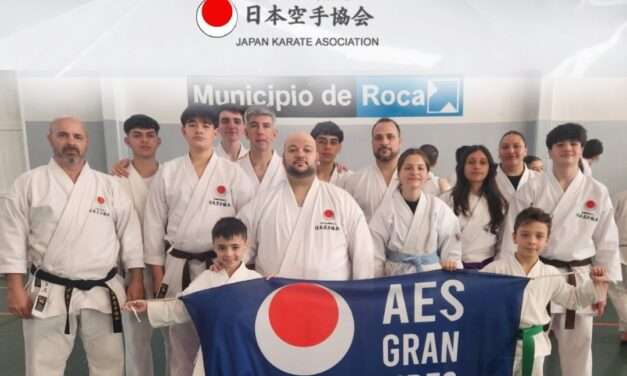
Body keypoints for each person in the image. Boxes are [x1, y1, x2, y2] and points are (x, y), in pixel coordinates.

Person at [0, 116, 144, 376]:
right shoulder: (29, 183)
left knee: (109, 365)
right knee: (43, 366)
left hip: (102, 289)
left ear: (86, 141)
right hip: (50, 288)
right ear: (50, 138)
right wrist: (14, 287)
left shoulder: (109, 185)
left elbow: (130, 234)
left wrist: (136, 278)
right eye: (63, 135)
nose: (70, 142)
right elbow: (11, 237)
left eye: (77, 137)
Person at [143, 104, 254, 376]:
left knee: (221, 341)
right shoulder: (168, 172)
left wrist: (235, 266)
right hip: (177, 266)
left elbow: (247, 225)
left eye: (206, 125)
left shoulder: (232, 173)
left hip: (221, 269)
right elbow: (154, 226)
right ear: (183, 131)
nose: (199, 130)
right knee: (179, 345)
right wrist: (159, 277)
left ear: (216, 132)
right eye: (192, 125)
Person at [502, 123, 621, 376]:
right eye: (560, 144)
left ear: (581, 149)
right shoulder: (531, 189)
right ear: (550, 151)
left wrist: (601, 288)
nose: (567, 148)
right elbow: (512, 235)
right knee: (530, 343)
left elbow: (607, 241)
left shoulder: (596, 191)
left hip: (578, 276)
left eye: (574, 143)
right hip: (537, 273)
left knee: (579, 346)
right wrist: (509, 281)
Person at [124, 217, 260, 376]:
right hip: (212, 350)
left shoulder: (256, 280)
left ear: (246, 244)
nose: (229, 254)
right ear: (214, 247)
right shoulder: (207, 278)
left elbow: (268, 311)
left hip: (245, 352)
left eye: (235, 247)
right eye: (222, 248)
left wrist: (273, 288)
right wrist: (149, 306)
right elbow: (183, 306)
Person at [482, 207, 608, 376]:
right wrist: (449, 272)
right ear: (514, 237)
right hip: (500, 344)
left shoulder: (550, 273)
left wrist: (594, 284)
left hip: (534, 346)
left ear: (547, 240)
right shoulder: (495, 269)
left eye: (539, 236)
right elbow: (472, 292)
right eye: (525, 234)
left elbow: (574, 299)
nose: (532, 241)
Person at [238, 132, 375, 280]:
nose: (300, 154)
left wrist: (361, 295)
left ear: (317, 158)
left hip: (332, 298)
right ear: (283, 160)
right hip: (275, 298)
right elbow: (237, 248)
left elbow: (363, 256)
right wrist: (224, 266)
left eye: (307, 150)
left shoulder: (342, 201)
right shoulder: (261, 203)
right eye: (292, 150)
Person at [369, 148, 462, 276]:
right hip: (396, 279)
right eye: (408, 168)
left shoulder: (438, 207)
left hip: (431, 276)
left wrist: (451, 262)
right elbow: (375, 252)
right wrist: (376, 283)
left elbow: (452, 246)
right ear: (399, 173)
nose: (414, 172)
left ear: (428, 174)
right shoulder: (386, 209)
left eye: (420, 168)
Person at [118, 114, 162, 376]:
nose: (144, 140)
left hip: (168, 268)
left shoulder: (174, 174)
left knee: (178, 335)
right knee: (135, 341)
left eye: (149, 134)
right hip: (131, 270)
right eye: (137, 135)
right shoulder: (115, 180)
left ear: (159, 139)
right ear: (127, 140)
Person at [441, 145, 508, 269]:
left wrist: (498, 264)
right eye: (471, 162)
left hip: (489, 266)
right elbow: (439, 236)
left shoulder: (499, 202)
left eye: (483, 163)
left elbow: (503, 240)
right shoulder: (446, 199)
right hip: (453, 266)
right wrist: (447, 259)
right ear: (462, 167)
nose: (477, 166)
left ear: (489, 168)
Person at [340, 118, 401, 221]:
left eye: (390, 137)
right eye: (378, 138)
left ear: (400, 142)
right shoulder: (355, 181)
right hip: (366, 237)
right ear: (372, 143)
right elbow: (346, 220)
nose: (384, 142)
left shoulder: (415, 178)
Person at [237, 106, 286, 192]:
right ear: (246, 133)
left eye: (266, 126)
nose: (260, 131)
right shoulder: (234, 168)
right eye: (254, 126)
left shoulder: (287, 168)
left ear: (274, 133)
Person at [496, 131, 540, 203]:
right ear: (498, 152)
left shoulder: (539, 179)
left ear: (525, 151)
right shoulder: (489, 179)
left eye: (516, 146)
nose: (511, 151)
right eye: (505, 147)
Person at [310, 121, 353, 185]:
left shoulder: (349, 178)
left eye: (333, 143)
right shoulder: (302, 174)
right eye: (322, 142)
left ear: (339, 147)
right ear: (312, 144)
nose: (327, 147)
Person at [610, 190, 627, 343]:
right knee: (619, 291)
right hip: (621, 247)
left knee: (619, 290)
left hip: (621, 248)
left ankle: (625, 327)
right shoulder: (620, 196)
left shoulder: (620, 196)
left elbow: (609, 223)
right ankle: (624, 329)